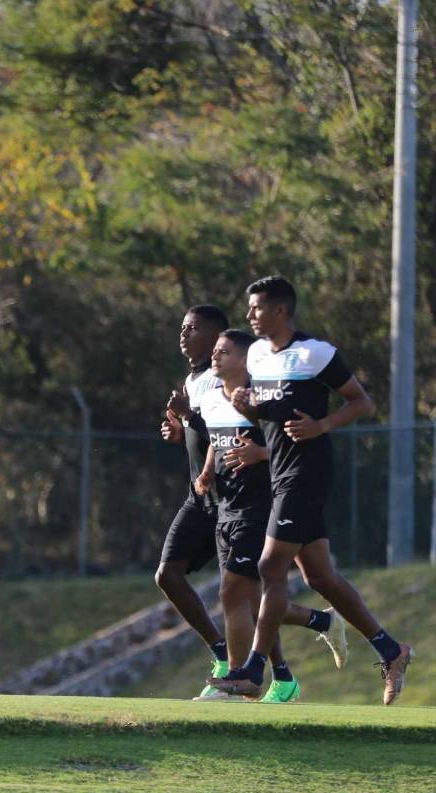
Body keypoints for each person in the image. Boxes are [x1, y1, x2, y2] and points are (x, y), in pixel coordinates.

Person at [210, 277, 413, 704]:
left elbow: (361, 402)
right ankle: (391, 650)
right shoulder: (260, 356)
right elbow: (273, 413)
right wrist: (251, 407)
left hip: (308, 473)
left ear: (280, 310)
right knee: (320, 576)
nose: (249, 316)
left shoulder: (315, 353)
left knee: (269, 567)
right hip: (279, 472)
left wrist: (321, 425)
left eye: (257, 308)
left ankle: (253, 671)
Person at [194, 328, 348, 703]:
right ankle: (320, 623)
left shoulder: (261, 396)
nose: (214, 357)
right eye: (214, 350)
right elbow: (218, 440)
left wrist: (258, 455)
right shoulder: (213, 397)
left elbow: (287, 444)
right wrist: (208, 469)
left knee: (233, 591)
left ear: (245, 360)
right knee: (247, 599)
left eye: (224, 351)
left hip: (261, 504)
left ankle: (236, 679)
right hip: (227, 507)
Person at [157, 305, 231, 698]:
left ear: (216, 333)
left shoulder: (221, 378)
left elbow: (225, 434)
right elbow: (198, 434)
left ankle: (280, 675)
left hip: (228, 498)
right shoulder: (191, 379)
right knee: (168, 574)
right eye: (182, 327)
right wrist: (179, 429)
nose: (183, 334)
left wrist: (190, 419)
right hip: (198, 497)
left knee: (241, 593)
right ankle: (222, 654)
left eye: (192, 328)